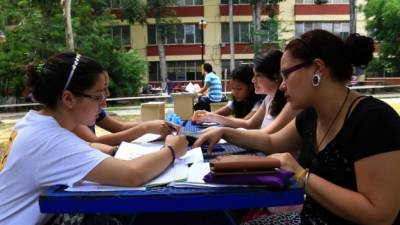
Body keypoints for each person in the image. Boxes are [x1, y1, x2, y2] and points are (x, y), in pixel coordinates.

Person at [194, 30, 400, 225]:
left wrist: (301, 175)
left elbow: (380, 216)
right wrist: (224, 131)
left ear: (318, 69)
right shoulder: (311, 115)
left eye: (286, 75)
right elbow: (271, 141)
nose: (282, 86)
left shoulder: (373, 119)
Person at [0, 53, 188, 225]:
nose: (104, 103)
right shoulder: (49, 139)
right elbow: (133, 175)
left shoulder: (35, 123)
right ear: (68, 99)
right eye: (98, 96)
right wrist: (171, 150)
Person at [194, 50, 298, 134]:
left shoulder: (291, 103)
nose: (253, 80)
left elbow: (268, 138)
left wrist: (222, 131)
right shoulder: (268, 99)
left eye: (258, 75)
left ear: (276, 76)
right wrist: (209, 116)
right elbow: (249, 124)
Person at [72, 71, 178, 147]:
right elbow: (95, 142)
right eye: (102, 90)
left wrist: (153, 124)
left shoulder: (90, 108)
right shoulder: (70, 117)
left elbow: (119, 127)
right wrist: (146, 128)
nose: (107, 94)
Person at [192, 64, 263, 121]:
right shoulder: (235, 103)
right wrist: (202, 115)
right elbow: (217, 113)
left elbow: (245, 122)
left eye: (239, 89)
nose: (234, 92)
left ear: (251, 86)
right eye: (232, 88)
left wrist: (211, 117)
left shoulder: (259, 104)